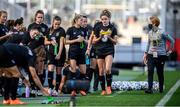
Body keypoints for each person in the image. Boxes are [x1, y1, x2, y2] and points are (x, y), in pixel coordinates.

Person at [143, 16, 174, 94]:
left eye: (150, 22)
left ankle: (160, 88)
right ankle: (150, 88)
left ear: (154, 23)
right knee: (150, 70)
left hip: (161, 56)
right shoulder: (150, 32)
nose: (148, 24)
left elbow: (172, 41)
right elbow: (148, 43)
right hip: (151, 55)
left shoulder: (162, 32)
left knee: (160, 72)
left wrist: (169, 51)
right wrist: (145, 53)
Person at [92, 9, 118, 95]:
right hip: (99, 50)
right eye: (102, 19)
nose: (104, 21)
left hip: (109, 50)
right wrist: (100, 36)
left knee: (107, 69)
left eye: (106, 19)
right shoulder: (97, 27)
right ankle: (103, 89)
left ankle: (109, 87)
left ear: (109, 19)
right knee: (101, 71)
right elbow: (94, 41)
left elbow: (115, 42)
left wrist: (109, 37)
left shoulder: (113, 27)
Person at [66, 14, 87, 95]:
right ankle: (73, 90)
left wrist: (84, 40)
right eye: (81, 20)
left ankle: (81, 90)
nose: (82, 22)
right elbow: (66, 41)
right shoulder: (70, 29)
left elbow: (86, 41)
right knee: (73, 71)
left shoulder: (84, 30)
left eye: (83, 20)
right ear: (76, 20)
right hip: (73, 52)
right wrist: (76, 40)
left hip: (81, 52)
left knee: (83, 72)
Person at [45, 16, 66, 94]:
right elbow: (45, 42)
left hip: (60, 53)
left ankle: (56, 90)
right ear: (53, 22)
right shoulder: (49, 30)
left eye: (58, 24)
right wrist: (51, 42)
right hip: (51, 53)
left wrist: (59, 54)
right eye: (55, 24)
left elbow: (61, 43)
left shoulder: (62, 31)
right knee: (50, 69)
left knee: (58, 71)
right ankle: (50, 87)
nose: (57, 26)